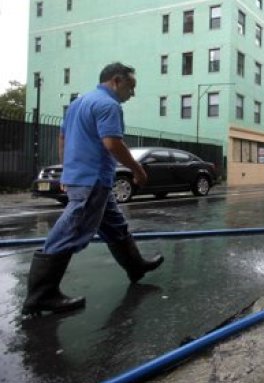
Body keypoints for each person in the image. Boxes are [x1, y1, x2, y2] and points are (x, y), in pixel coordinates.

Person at [22, 62, 164, 316]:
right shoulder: (109, 105)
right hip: (92, 180)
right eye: (131, 87)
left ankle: (136, 266)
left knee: (114, 225)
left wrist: (67, 170)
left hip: (83, 177)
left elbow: (63, 137)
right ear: (116, 81)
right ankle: (42, 295)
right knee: (70, 231)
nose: (132, 94)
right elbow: (112, 143)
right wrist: (138, 169)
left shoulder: (79, 103)